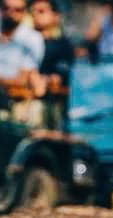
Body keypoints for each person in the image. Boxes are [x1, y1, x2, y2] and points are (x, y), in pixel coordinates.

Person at [0, 0, 46, 127]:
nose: (11, 13)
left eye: (17, 10)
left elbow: (21, 80)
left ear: (25, 12)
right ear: (0, 9)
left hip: (10, 101)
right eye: (6, 8)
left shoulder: (32, 39)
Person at [30, 0, 74, 130]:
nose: (36, 15)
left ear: (56, 16)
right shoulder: (25, 41)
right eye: (34, 11)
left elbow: (59, 79)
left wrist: (42, 81)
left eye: (42, 11)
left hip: (50, 106)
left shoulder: (62, 45)